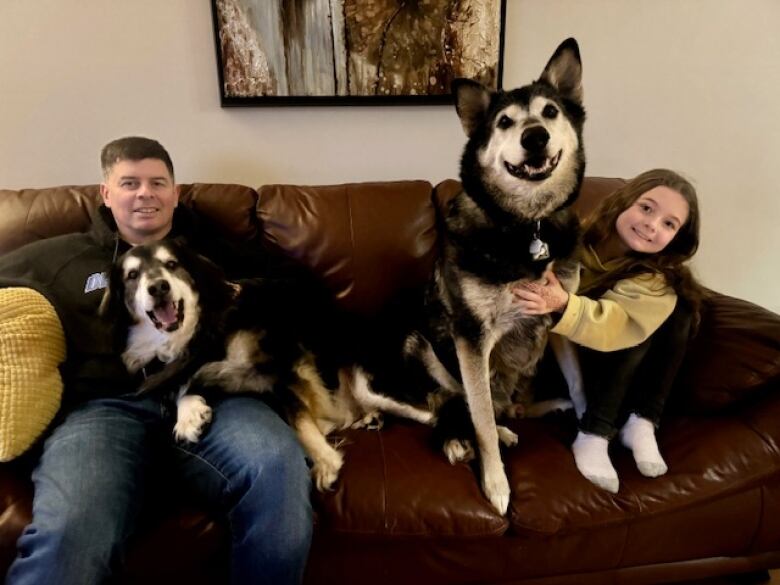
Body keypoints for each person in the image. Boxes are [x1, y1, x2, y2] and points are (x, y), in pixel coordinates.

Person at [0, 137, 313, 584]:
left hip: (218, 397)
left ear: (175, 192)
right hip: (106, 410)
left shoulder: (210, 250)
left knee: (277, 470)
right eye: (129, 182)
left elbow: (296, 282)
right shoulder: (62, 257)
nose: (145, 193)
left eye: (157, 183)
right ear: (106, 194)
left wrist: (238, 291)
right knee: (71, 529)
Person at [513, 169, 703, 493]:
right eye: (646, 208)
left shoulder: (655, 277)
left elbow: (615, 327)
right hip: (543, 359)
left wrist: (562, 303)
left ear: (677, 237)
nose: (652, 224)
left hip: (607, 359)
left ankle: (627, 424)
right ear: (624, 202)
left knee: (678, 306)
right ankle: (601, 427)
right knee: (635, 317)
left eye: (669, 224)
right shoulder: (573, 239)